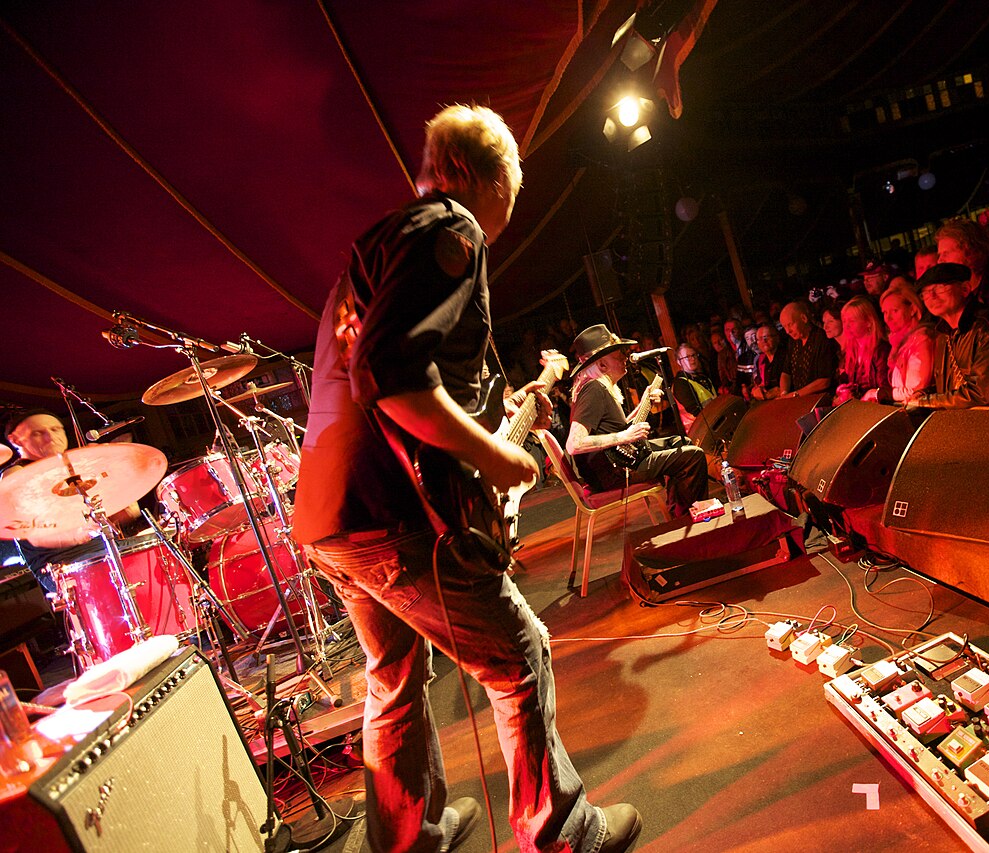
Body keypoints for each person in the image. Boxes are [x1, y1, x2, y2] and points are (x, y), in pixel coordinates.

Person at [291, 105, 641, 853]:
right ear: (482, 177)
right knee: (520, 655)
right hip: (390, 514)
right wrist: (496, 456)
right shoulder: (453, 230)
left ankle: (410, 837)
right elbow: (390, 373)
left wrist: (482, 426)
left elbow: (374, 369)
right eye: (510, 190)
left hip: (329, 515)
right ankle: (564, 832)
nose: (508, 211)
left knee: (393, 679)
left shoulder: (378, 244)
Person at [566, 324, 707, 518]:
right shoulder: (593, 390)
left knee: (681, 443)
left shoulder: (601, 388)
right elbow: (574, 444)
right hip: (616, 472)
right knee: (693, 456)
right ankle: (688, 517)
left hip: (621, 460)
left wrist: (643, 405)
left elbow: (616, 428)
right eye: (618, 355)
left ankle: (680, 512)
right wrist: (624, 436)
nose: (625, 358)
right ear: (602, 364)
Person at [2, 409, 143, 593]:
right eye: (38, 433)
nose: (51, 438)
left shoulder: (76, 466)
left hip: (104, 547)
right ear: (16, 440)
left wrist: (120, 487)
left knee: (160, 543)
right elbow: (38, 535)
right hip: (62, 562)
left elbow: (125, 513)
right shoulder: (16, 475)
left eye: (56, 430)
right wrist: (85, 530)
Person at [912, 263, 989, 409]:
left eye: (940, 288)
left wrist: (926, 401)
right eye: (925, 292)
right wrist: (924, 394)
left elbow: (980, 393)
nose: (931, 296)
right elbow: (948, 388)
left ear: (965, 289)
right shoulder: (944, 334)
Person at [863, 284, 935, 404]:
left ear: (912, 309)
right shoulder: (900, 343)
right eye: (885, 312)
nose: (888, 318)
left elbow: (917, 390)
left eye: (895, 311)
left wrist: (878, 393)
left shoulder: (921, 340)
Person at [832, 296, 889, 405]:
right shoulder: (849, 352)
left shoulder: (881, 350)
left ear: (868, 322)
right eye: (844, 321)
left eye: (852, 321)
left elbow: (883, 390)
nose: (846, 326)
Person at [778, 302, 838, 399]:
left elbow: (824, 381)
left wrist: (795, 395)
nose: (787, 331)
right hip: (799, 400)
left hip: (821, 400)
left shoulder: (822, 338)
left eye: (790, 325)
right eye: (784, 327)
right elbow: (786, 372)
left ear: (804, 318)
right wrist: (784, 394)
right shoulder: (793, 342)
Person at [670, 343, 717, 428]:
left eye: (694, 355)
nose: (692, 359)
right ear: (679, 361)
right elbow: (695, 411)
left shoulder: (703, 377)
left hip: (714, 423)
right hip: (700, 429)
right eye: (687, 357)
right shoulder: (681, 384)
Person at [750, 323, 787, 400]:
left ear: (777, 338)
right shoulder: (760, 360)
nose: (764, 341)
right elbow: (760, 383)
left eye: (766, 337)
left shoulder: (785, 356)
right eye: (759, 339)